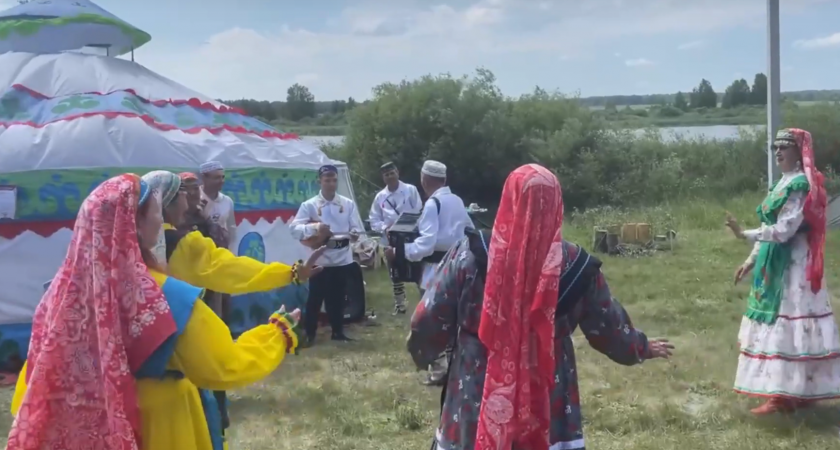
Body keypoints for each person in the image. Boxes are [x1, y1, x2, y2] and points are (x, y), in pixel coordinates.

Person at [6, 173, 319, 450]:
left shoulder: (61, 298)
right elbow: (225, 365)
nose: (162, 220)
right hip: (161, 427)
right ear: (137, 225)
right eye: (156, 211)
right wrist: (277, 333)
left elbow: (33, 384)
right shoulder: (167, 298)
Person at [407, 164, 674, 450]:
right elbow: (608, 326)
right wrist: (640, 346)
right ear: (556, 205)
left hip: (477, 382)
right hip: (548, 385)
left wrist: (422, 350)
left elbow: (432, 315)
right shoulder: (576, 266)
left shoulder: (470, 255)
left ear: (509, 199)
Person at [142, 170, 325, 446]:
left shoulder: (113, 275)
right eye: (184, 191)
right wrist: (280, 326)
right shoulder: (182, 251)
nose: (193, 198)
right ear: (162, 205)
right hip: (176, 394)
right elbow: (233, 271)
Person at [725, 128, 840, 415]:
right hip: (774, 260)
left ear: (798, 153)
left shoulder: (800, 185)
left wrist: (743, 234)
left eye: (784, 147)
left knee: (789, 324)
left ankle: (787, 394)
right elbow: (771, 230)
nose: (777, 152)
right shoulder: (782, 183)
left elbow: (785, 230)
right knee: (777, 323)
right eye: (775, 147)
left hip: (794, 267)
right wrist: (751, 259)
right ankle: (785, 393)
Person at [385, 160, 473, 386]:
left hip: (435, 266)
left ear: (425, 180)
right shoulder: (457, 200)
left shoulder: (434, 203)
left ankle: (438, 369)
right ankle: (455, 365)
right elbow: (469, 229)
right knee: (455, 316)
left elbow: (426, 244)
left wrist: (400, 251)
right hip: (458, 263)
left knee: (432, 317)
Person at [290, 164, 365, 345]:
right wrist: (315, 228)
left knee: (338, 297)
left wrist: (354, 233)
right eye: (327, 180)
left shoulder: (347, 204)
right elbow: (294, 229)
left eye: (334, 180)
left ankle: (338, 332)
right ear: (319, 181)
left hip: (342, 257)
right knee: (315, 298)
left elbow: (356, 227)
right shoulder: (309, 205)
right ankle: (310, 334)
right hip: (321, 257)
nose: (331, 184)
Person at [369, 161, 423, 315]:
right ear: (383, 178)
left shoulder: (410, 190)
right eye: (386, 175)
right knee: (394, 272)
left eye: (392, 173)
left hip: (410, 238)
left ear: (397, 173)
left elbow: (418, 210)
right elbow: (374, 219)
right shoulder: (380, 197)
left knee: (417, 269)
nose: (390, 176)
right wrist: (384, 228)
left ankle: (423, 302)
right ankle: (400, 304)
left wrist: (405, 225)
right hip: (389, 240)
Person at [200, 161, 237, 322]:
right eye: (216, 178)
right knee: (206, 299)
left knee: (224, 298)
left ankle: (225, 335)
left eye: (222, 177)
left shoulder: (227, 201)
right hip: (201, 258)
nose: (221, 181)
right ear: (204, 178)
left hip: (222, 256)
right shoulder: (196, 199)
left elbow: (231, 227)